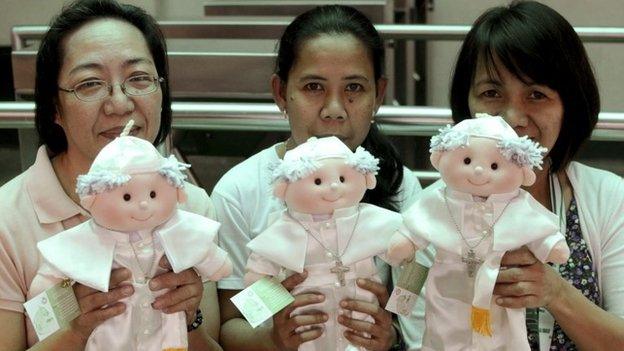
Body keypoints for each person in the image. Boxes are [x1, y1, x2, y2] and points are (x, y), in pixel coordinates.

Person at [0, 0, 222, 350]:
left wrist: (190, 318)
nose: (120, 104)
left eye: (138, 79)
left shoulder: (190, 205)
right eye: (90, 84)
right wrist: (75, 330)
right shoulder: (7, 220)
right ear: (54, 107)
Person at [212, 5, 433, 351]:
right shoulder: (240, 191)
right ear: (281, 93)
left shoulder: (400, 185)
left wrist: (393, 333)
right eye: (314, 86)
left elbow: (417, 274)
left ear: (378, 94)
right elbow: (232, 323)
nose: (334, 109)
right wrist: (274, 331)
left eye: (354, 88)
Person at [449, 1, 624, 350]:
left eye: (536, 95)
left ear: (568, 106)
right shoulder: (438, 207)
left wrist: (555, 292)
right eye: (492, 93)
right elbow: (421, 333)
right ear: (466, 102)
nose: (514, 118)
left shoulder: (609, 198)